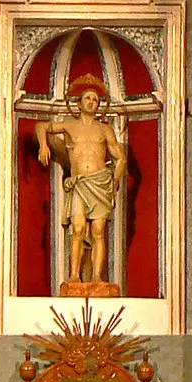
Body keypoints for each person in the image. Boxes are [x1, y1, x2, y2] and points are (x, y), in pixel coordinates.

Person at [37, 75, 127, 289]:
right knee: (77, 228)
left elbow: (120, 156)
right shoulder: (69, 126)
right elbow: (42, 126)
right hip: (79, 183)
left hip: (100, 182)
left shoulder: (104, 129)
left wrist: (115, 179)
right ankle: (74, 276)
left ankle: (96, 277)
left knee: (98, 230)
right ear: (79, 104)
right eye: (88, 99)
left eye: (95, 100)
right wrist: (44, 146)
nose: (91, 103)